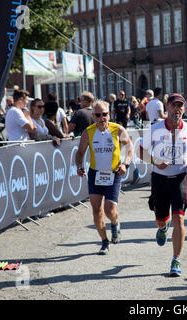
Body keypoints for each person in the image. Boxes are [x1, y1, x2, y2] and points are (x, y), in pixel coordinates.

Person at [139, 93, 187, 277]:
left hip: (179, 178)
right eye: (174, 106)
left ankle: (176, 259)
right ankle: (162, 228)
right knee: (161, 219)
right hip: (159, 179)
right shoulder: (155, 129)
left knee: (179, 219)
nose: (178, 109)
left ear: (184, 109)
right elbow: (139, 151)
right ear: (167, 108)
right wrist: (155, 162)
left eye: (180, 106)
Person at [75, 100, 134, 255]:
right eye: (98, 115)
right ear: (94, 116)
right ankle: (104, 241)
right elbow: (80, 152)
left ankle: (115, 222)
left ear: (110, 114)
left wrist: (125, 165)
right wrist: (79, 166)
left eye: (105, 114)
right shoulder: (88, 132)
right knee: (96, 210)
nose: (102, 118)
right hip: (96, 173)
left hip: (113, 173)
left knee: (109, 209)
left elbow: (129, 148)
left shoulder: (117, 129)